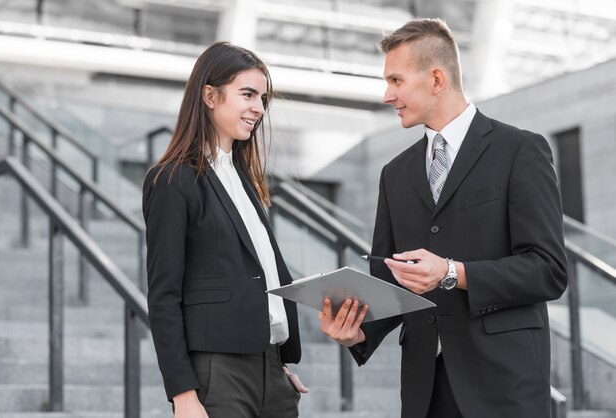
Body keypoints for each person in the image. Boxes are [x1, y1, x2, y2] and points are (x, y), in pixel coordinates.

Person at [319, 18, 568, 417]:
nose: (387, 95)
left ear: (436, 79)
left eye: (396, 81)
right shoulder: (394, 174)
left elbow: (548, 270)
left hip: (503, 387)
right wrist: (355, 331)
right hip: (425, 391)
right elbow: (389, 279)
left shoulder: (520, 150)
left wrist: (452, 272)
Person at [143, 41, 307, 418]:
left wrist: (276, 366)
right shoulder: (173, 179)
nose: (259, 109)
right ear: (210, 95)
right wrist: (182, 393)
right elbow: (163, 296)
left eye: (263, 98)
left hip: (271, 372)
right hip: (219, 375)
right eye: (247, 94)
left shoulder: (244, 179)